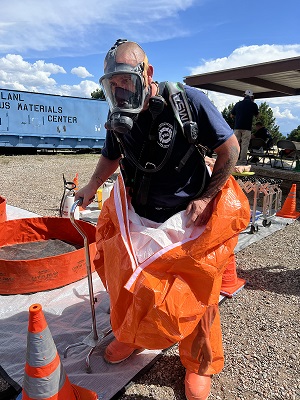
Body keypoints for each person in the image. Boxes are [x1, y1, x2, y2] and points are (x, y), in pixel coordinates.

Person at [76, 39, 249, 400]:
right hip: (141, 216)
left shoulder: (187, 102)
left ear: (147, 73)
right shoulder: (119, 117)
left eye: (126, 81)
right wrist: (92, 184)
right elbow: (111, 153)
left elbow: (229, 149)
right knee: (132, 281)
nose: (121, 91)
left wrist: (206, 197)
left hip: (189, 219)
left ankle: (198, 362)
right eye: (113, 85)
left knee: (198, 292)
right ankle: (133, 337)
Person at [230, 89, 259, 165]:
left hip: (237, 126)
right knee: (245, 144)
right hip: (247, 127)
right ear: (252, 97)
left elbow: (231, 115)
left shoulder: (238, 104)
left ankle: (233, 159)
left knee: (235, 143)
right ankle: (242, 161)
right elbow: (258, 115)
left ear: (244, 95)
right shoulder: (253, 105)